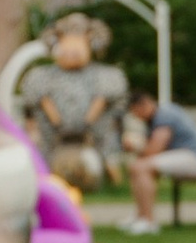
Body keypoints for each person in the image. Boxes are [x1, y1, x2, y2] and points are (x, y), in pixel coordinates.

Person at [18, 16, 129, 189]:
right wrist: (58, 124)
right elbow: (39, 103)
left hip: (94, 133)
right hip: (53, 135)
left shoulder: (105, 76)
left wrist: (86, 124)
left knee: (107, 141)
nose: (72, 52)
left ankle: (112, 179)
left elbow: (104, 100)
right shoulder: (42, 76)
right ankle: (45, 177)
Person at [123, 83, 196, 233]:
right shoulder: (155, 118)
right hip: (185, 156)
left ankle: (149, 221)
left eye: (135, 112)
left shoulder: (164, 115)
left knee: (140, 167)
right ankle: (140, 217)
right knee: (137, 167)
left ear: (143, 105)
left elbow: (155, 149)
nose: (136, 117)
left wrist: (135, 146)